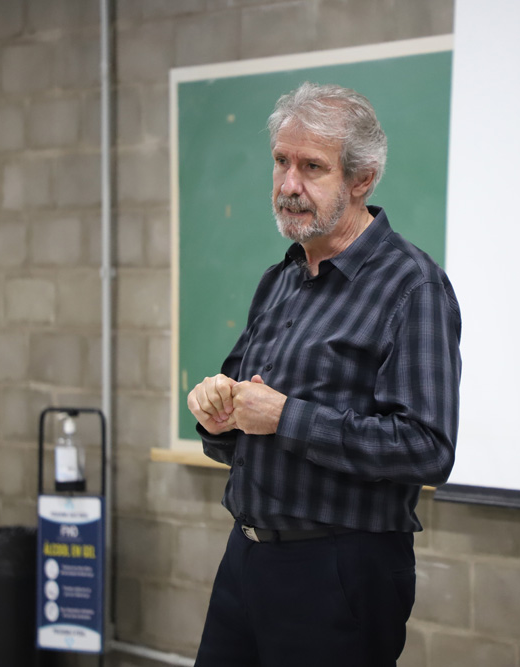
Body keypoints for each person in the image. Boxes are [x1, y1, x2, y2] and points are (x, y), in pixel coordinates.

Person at [187, 82, 462, 667]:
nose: (289, 185)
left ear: (362, 179)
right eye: (281, 162)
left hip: (340, 572)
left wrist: (286, 417)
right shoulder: (280, 279)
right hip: (246, 557)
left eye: (312, 167)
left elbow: (427, 448)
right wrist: (216, 412)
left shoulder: (412, 286)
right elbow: (238, 433)